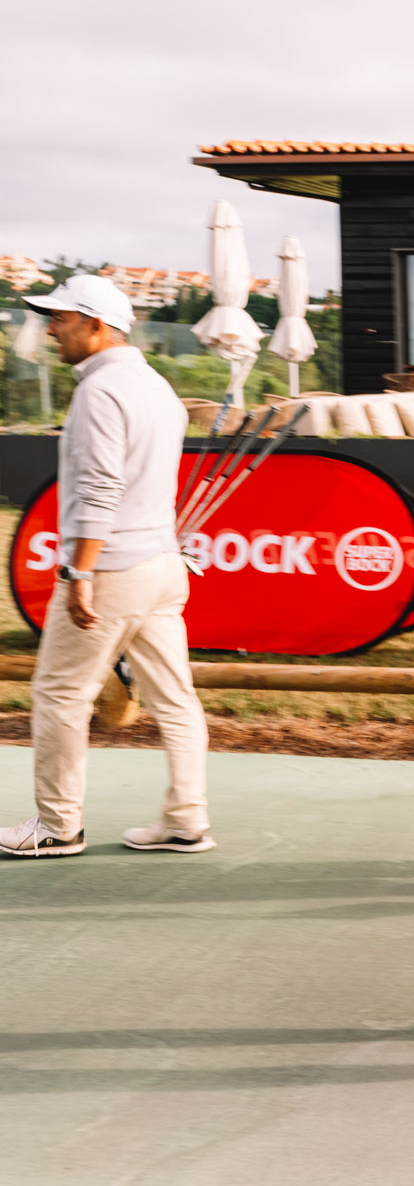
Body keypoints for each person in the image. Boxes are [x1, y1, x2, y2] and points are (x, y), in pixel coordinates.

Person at [0, 276, 212, 858]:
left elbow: (100, 490)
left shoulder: (99, 392)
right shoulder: (159, 387)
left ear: (96, 325)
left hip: (114, 569)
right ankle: (187, 820)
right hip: (163, 564)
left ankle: (57, 826)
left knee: (60, 694)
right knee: (174, 698)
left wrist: (79, 574)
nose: (50, 329)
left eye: (60, 318)